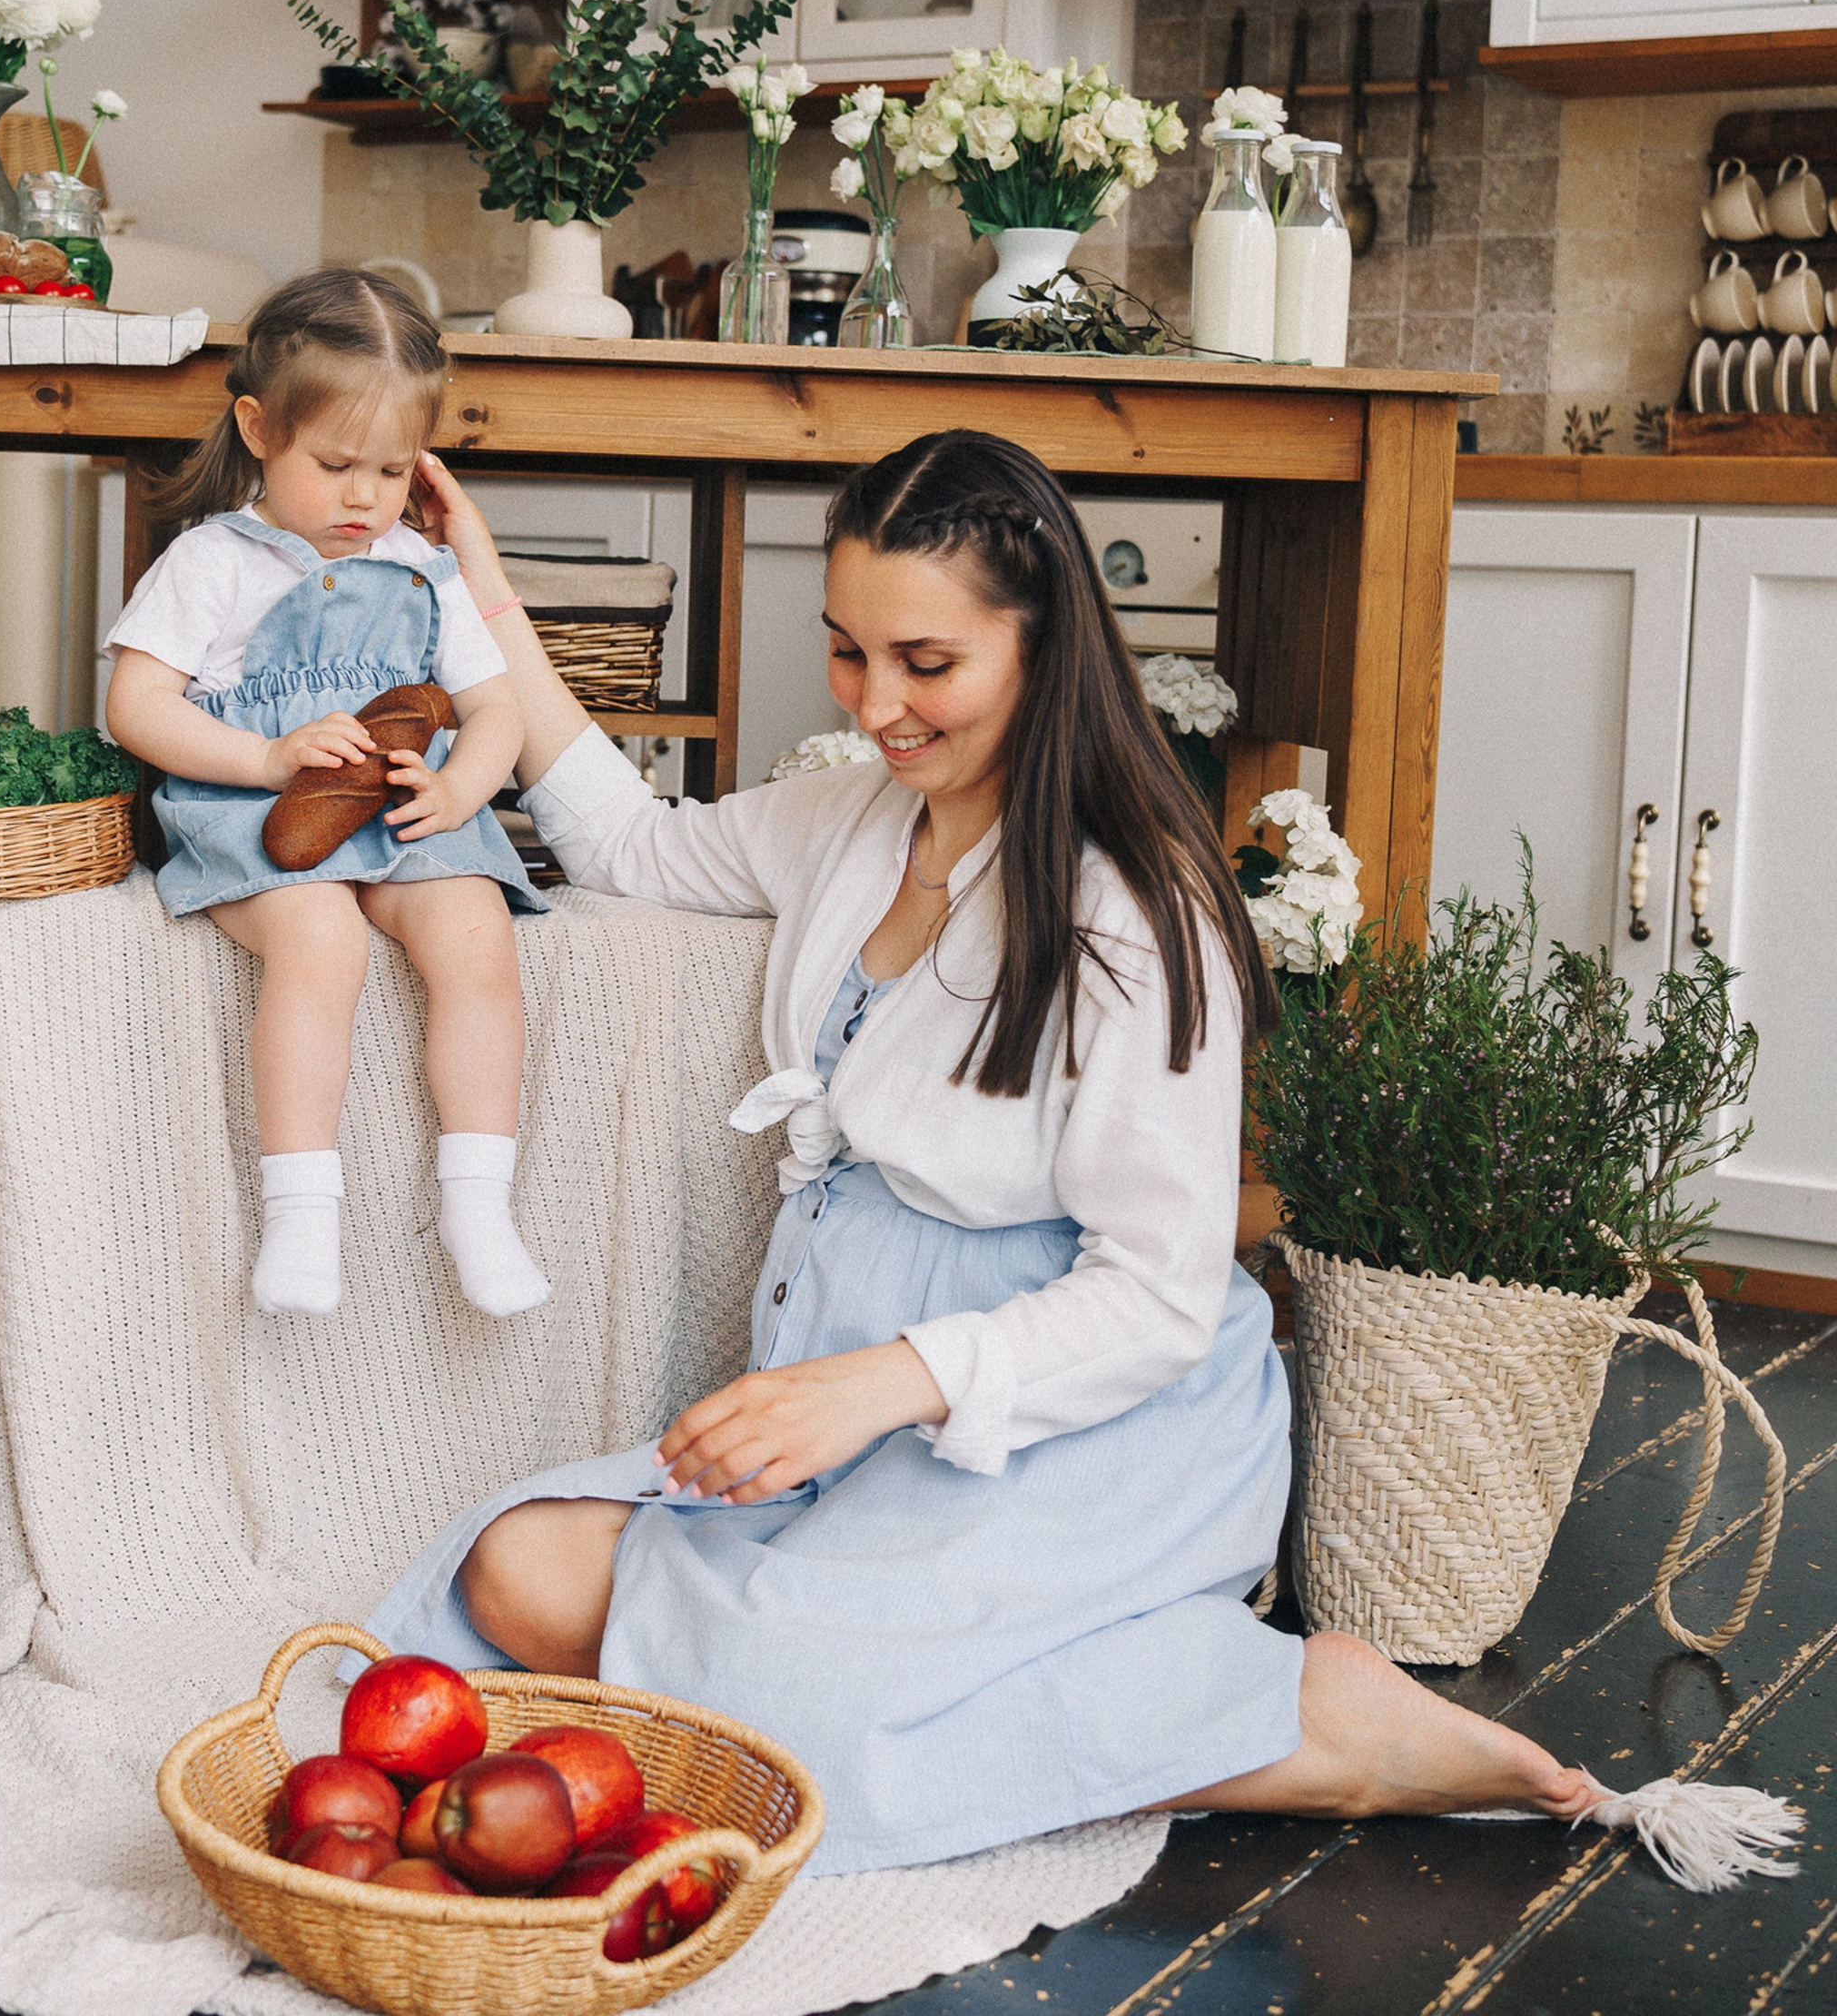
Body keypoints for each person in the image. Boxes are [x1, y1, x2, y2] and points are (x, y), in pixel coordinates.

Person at [364, 427, 1603, 1873]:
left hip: (1078, 1436)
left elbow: (1153, 1294)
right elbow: (633, 843)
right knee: (520, 1570)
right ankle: (1128, 1683)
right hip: (855, 1409)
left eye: (926, 663)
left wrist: (884, 1384)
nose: (877, 704)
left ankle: (1308, 1727)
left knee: (785, 1741)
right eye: (846, 653)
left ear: (1041, 644)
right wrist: (485, 592)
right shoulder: (847, 821)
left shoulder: (1135, 912)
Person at [104, 270, 550, 1321]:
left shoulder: (423, 570)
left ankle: (476, 1202)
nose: (364, 497)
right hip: (256, 817)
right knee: (323, 940)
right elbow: (137, 706)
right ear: (259, 428)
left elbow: (499, 712)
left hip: (399, 812)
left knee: (477, 931)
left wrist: (457, 788)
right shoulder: (211, 561)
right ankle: (302, 1210)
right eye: (336, 463)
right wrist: (264, 760)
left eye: (392, 470)